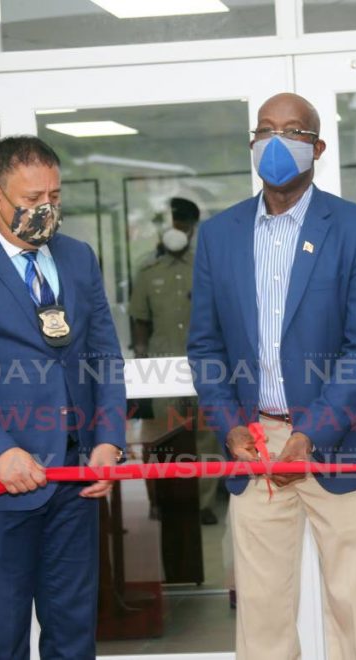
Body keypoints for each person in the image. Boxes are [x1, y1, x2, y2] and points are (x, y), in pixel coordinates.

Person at [187, 93, 356, 659]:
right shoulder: (220, 235)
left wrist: (312, 435)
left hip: (339, 440)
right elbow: (205, 346)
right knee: (261, 613)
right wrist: (231, 428)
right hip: (254, 444)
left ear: (317, 148)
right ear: (252, 142)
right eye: (265, 130)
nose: (276, 142)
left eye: (294, 131)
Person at [0, 135, 126, 660]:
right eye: (31, 200)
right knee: (2, 632)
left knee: (74, 630)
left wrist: (109, 442)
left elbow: (105, 356)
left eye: (53, 196)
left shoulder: (77, 257)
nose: (45, 210)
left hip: (74, 477)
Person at [131, 197, 220, 525]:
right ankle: (164, 502)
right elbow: (140, 321)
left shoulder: (207, 267)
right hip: (161, 370)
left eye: (182, 223)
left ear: (192, 227)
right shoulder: (147, 270)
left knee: (206, 436)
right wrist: (141, 368)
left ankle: (204, 503)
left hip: (204, 368)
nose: (176, 229)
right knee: (162, 437)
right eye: (171, 223)